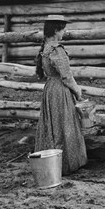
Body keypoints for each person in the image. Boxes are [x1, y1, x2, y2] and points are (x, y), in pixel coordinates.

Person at [35, 14, 87, 175]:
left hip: (50, 89)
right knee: (64, 125)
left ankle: (51, 161)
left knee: (52, 124)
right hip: (60, 90)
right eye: (63, 29)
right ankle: (65, 163)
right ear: (57, 30)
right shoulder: (57, 49)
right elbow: (66, 76)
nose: (64, 32)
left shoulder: (46, 47)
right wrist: (77, 90)